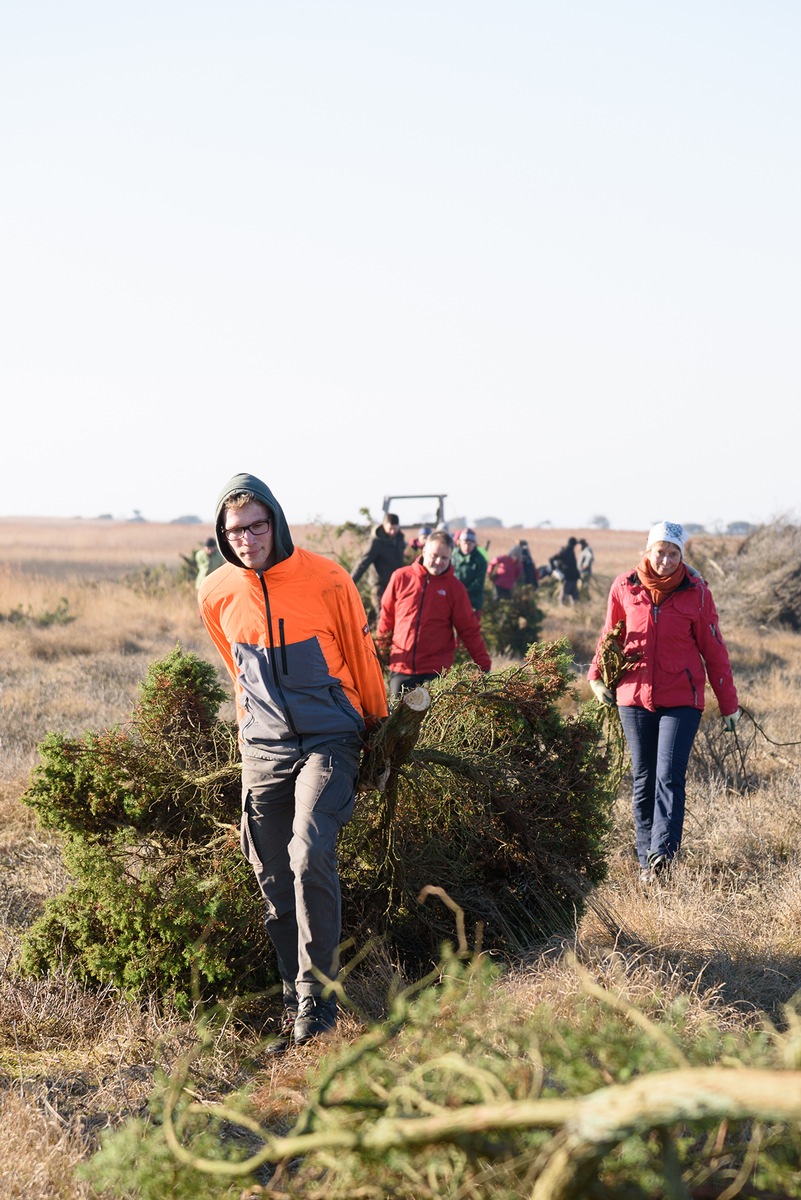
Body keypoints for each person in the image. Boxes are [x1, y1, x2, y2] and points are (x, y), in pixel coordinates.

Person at [198, 473, 388, 1051]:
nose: (248, 537)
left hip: (329, 739)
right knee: (273, 875)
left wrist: (376, 732)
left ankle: (317, 999)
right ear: (222, 536)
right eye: (236, 530)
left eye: (257, 524)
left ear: (275, 521)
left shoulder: (327, 577)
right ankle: (292, 998)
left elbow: (361, 656)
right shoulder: (216, 592)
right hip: (263, 750)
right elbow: (236, 670)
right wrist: (250, 736)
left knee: (308, 850)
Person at [587, 521, 740, 884]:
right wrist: (595, 677)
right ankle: (645, 861)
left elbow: (714, 650)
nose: (666, 560)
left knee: (668, 777)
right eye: (661, 552)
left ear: (682, 555)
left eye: (674, 554)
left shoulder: (697, 593)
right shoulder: (624, 586)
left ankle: (663, 858)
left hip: (681, 700)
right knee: (643, 778)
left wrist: (729, 704)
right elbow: (609, 635)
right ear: (648, 550)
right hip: (634, 697)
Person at [377, 529, 491, 699]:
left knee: (431, 724)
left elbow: (468, 629)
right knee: (396, 722)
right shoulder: (401, 577)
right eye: (434, 555)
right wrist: (380, 652)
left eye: (444, 558)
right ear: (424, 551)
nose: (438, 561)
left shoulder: (455, 588)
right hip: (401, 669)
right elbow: (386, 617)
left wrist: (483, 664)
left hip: (435, 673)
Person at [351, 512, 406, 617]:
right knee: (382, 615)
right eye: (390, 528)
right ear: (384, 525)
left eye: (395, 529)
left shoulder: (399, 539)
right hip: (380, 585)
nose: (393, 532)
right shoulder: (376, 542)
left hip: (397, 584)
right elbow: (363, 563)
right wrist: (350, 582)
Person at [451, 527, 489, 614]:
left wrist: (463, 592)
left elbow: (479, 582)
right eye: (464, 543)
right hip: (452, 599)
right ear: (459, 542)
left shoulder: (480, 560)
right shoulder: (452, 556)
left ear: (475, 544)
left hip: (473, 602)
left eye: (470, 543)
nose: (467, 546)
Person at [549, 537, 580, 605]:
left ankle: (575, 611)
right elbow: (551, 559)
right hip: (568, 577)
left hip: (573, 577)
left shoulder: (570, 551)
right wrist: (554, 569)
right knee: (563, 597)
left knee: (575, 597)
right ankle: (563, 611)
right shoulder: (564, 552)